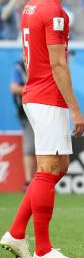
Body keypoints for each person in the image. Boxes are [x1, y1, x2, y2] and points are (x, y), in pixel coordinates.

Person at [0, 0, 84, 258]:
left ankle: (16, 233)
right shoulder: (55, 13)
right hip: (47, 96)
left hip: (37, 93)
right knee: (48, 170)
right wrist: (75, 108)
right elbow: (58, 64)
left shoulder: (32, 5)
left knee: (57, 168)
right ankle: (43, 249)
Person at [10, 59, 37, 190]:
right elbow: (14, 88)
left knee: (44, 147)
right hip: (26, 112)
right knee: (29, 147)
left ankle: (41, 182)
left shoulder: (42, 63)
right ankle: (28, 182)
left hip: (44, 111)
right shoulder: (19, 67)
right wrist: (33, 89)